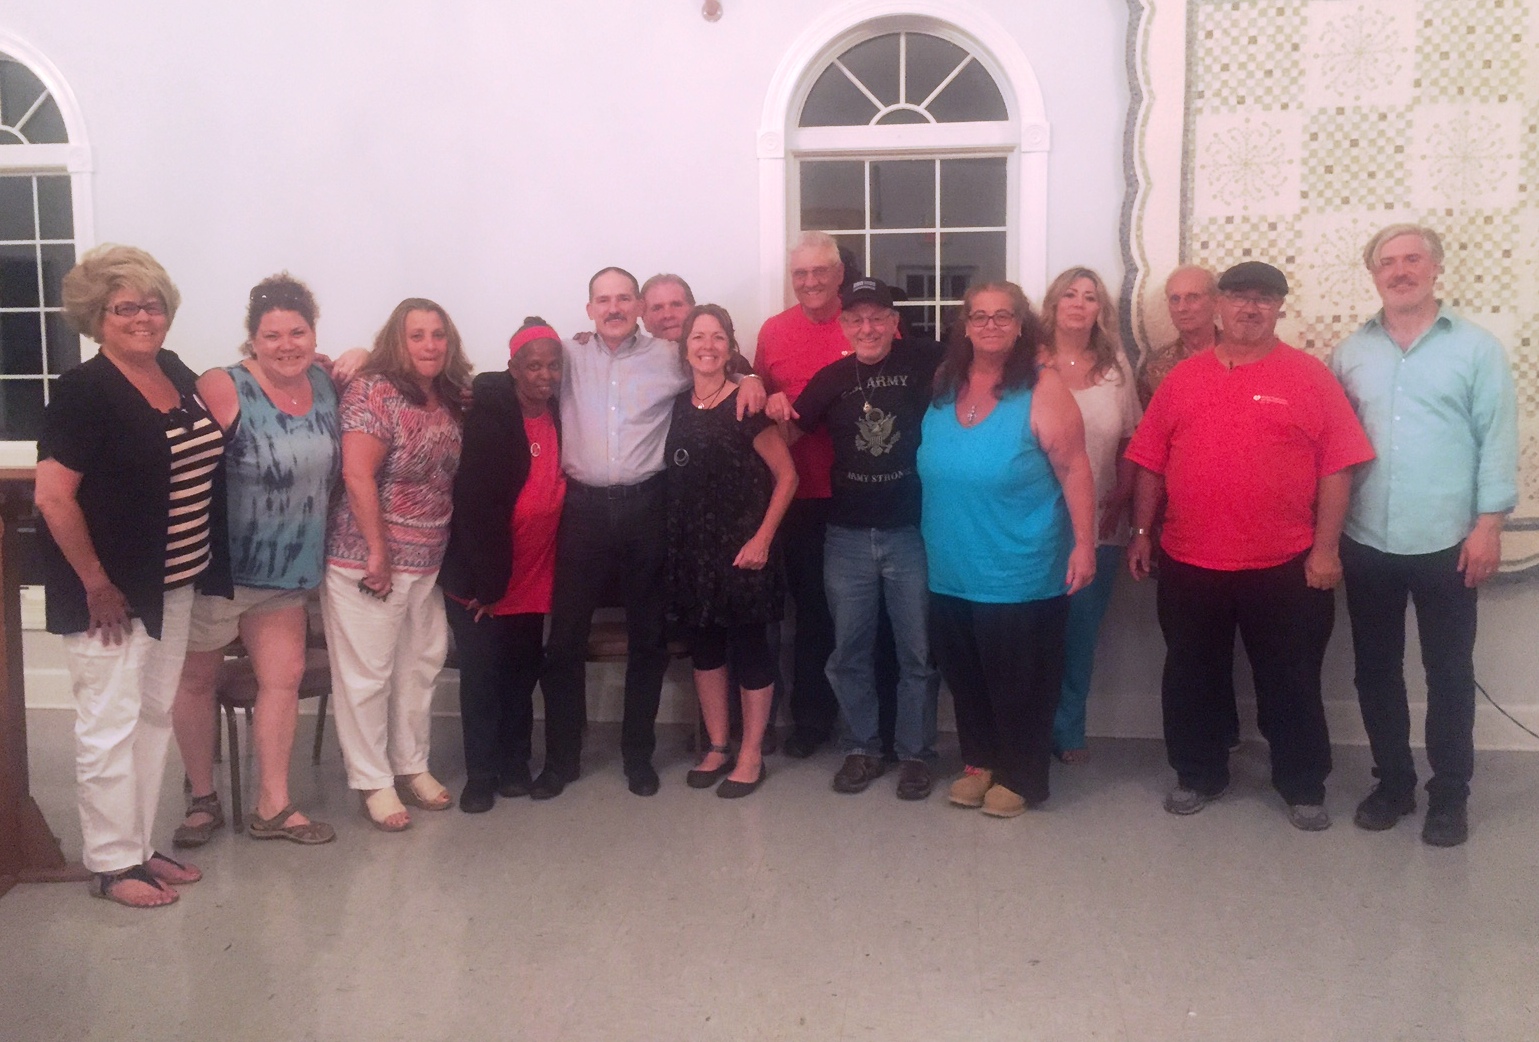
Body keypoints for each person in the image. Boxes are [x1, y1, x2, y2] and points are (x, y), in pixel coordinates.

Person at [1127, 261, 1375, 831]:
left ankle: (1302, 783)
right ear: (1220, 305)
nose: (1250, 308)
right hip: (1189, 559)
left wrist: (1326, 549)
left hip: (1286, 563)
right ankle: (1198, 774)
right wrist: (1141, 533)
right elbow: (1149, 461)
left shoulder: (1310, 377)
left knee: (1292, 680)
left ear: (1279, 308)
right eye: (1239, 297)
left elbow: (1338, 466)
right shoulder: (1182, 379)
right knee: (1190, 676)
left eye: (1264, 298)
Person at [35, 244, 230, 907]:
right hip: (110, 596)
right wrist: (97, 584)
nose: (143, 318)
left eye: (153, 305)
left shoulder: (170, 369)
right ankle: (111, 864)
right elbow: (54, 497)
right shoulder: (83, 391)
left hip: (173, 582)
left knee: (151, 718)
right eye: (125, 308)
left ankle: (139, 845)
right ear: (97, 317)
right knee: (109, 725)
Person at [538, 267, 765, 799]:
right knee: (564, 640)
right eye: (603, 300)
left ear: (638, 307)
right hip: (583, 510)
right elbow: (519, 368)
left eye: (624, 298)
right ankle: (560, 760)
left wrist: (753, 377)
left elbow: (717, 361)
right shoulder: (568, 356)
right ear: (589, 309)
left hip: (647, 508)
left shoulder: (668, 356)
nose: (614, 308)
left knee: (649, 639)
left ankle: (637, 756)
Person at [1329, 224, 1519, 847]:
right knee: (1375, 671)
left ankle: (1450, 794)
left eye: (1412, 259)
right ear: (1374, 274)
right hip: (1366, 540)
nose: (1400, 270)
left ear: (1435, 267)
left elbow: (1497, 440)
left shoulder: (1477, 349)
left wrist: (1489, 526)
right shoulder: (1350, 353)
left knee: (1449, 673)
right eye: (1387, 262)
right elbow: (1334, 448)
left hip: (1449, 542)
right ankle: (1393, 784)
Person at [168, 274, 339, 847]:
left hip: (289, 572)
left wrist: (360, 356)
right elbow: (181, 464)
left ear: (313, 333)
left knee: (282, 682)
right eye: (273, 335)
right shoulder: (225, 384)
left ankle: (274, 804)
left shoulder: (325, 382)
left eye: (298, 332)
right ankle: (202, 799)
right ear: (253, 339)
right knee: (197, 681)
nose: (287, 345)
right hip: (220, 571)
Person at [919, 281, 1096, 817]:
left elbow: (1075, 468)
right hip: (951, 565)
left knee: (1021, 681)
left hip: (1020, 567)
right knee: (966, 675)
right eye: (979, 316)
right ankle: (980, 762)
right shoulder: (945, 381)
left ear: (1021, 325)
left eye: (1003, 316)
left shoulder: (1043, 387)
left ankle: (1023, 776)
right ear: (965, 325)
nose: (990, 325)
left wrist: (1085, 544)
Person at [768, 277, 943, 800]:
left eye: (877, 318)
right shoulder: (832, 378)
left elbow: (987, 363)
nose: (867, 328)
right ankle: (861, 747)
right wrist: (752, 389)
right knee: (848, 653)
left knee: (917, 654)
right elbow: (786, 433)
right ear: (844, 325)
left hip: (910, 533)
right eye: (857, 319)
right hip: (845, 536)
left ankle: (915, 754)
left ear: (894, 322)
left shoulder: (925, 361)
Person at [321, 298, 469, 831]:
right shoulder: (373, 391)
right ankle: (373, 780)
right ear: (396, 341)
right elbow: (357, 475)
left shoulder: (448, 396)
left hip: (427, 560)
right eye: (417, 335)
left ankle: (411, 765)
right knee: (367, 676)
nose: (429, 345)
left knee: (419, 665)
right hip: (367, 560)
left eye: (437, 335)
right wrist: (378, 552)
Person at [755, 232, 900, 760]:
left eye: (821, 271)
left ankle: (884, 727)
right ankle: (812, 720)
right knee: (814, 614)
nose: (811, 281)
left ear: (840, 274)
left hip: (867, 493)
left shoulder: (868, 323)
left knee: (875, 616)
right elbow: (759, 403)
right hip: (800, 496)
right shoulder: (773, 332)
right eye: (801, 273)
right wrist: (758, 389)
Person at [667, 305, 798, 797]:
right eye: (698, 337)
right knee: (705, 652)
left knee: (751, 651)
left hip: (745, 551)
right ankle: (719, 745)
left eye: (717, 336)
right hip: (693, 553)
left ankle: (751, 754)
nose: (707, 346)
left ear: (730, 346)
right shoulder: (676, 407)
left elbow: (788, 476)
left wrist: (762, 539)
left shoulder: (747, 404)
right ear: (685, 348)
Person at [439, 317, 565, 813]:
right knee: (482, 678)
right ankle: (480, 775)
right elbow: (475, 508)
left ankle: (515, 764)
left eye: (553, 366)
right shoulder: (491, 416)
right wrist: (487, 587)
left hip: (533, 573)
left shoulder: (561, 413)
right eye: (533, 366)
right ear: (513, 369)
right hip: (483, 578)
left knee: (521, 674)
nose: (544, 376)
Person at [1036, 267, 1141, 763]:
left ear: (1101, 310)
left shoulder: (1115, 368)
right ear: (1053, 304)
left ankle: (1068, 730)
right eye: (1070, 295)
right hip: (1032, 523)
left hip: (1099, 523)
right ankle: (1026, 730)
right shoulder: (1029, 362)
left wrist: (1122, 494)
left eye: (1090, 297)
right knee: (1032, 634)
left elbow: (1131, 438)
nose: (1079, 303)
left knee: (1079, 635)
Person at [1136, 265, 1221, 407]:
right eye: (1175, 299)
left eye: (1192, 297)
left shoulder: (1242, 355)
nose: (1182, 308)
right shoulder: (1154, 367)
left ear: (1216, 303)